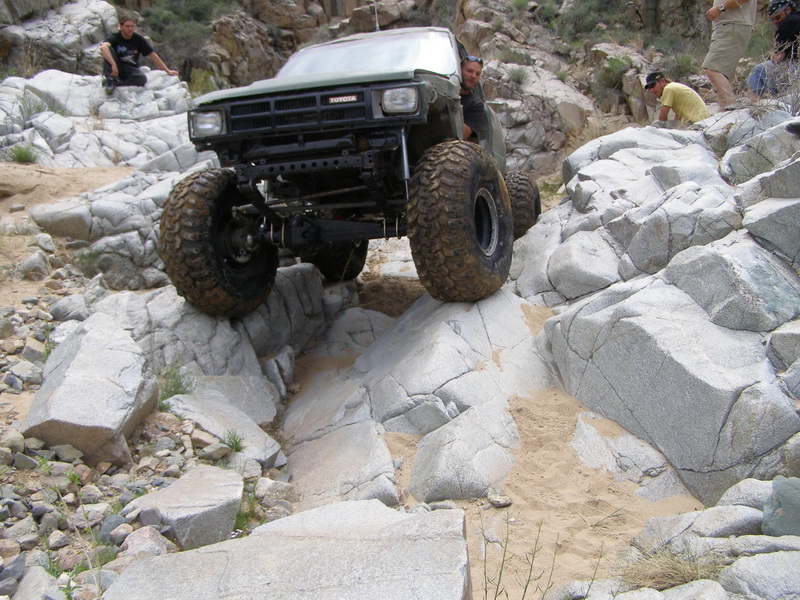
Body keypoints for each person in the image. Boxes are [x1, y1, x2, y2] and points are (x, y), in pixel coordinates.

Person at [100, 15, 178, 95]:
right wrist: (113, 65)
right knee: (109, 49)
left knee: (142, 79)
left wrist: (167, 71)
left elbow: (152, 55)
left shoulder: (138, 39)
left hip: (130, 68)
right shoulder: (115, 37)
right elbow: (103, 47)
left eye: (132, 26)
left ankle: (117, 83)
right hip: (116, 66)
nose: (130, 29)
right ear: (121, 27)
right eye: (127, 26)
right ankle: (110, 80)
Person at [702, 0, 758, 110]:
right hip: (729, 25)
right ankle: (727, 109)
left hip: (732, 25)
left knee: (714, 69)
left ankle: (729, 110)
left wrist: (720, 8)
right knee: (721, 72)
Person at [745, 0, 800, 97]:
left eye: (778, 17)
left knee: (759, 70)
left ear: (788, 10)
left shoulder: (790, 21)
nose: (775, 22)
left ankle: (754, 101)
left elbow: (778, 56)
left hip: (795, 69)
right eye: (772, 19)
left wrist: (771, 56)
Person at [644, 71, 711, 123]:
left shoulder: (668, 89)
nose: (651, 90)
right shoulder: (673, 87)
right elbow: (678, 117)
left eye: (653, 86)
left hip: (698, 122)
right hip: (704, 121)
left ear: (662, 81)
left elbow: (662, 119)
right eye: (649, 88)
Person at [459, 56, 486, 141]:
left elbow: (461, 134)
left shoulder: (476, 105)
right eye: (469, 71)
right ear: (459, 70)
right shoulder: (440, 92)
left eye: (477, 74)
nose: (473, 76)